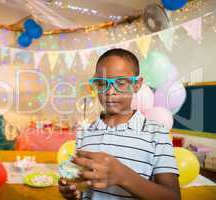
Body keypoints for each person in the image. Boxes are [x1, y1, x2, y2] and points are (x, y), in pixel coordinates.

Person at [59, 48, 180, 200]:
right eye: (102, 83)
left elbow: (173, 196)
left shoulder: (157, 134)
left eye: (121, 83)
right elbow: (84, 185)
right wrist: (73, 190)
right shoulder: (85, 133)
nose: (110, 92)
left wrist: (124, 176)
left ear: (137, 84)